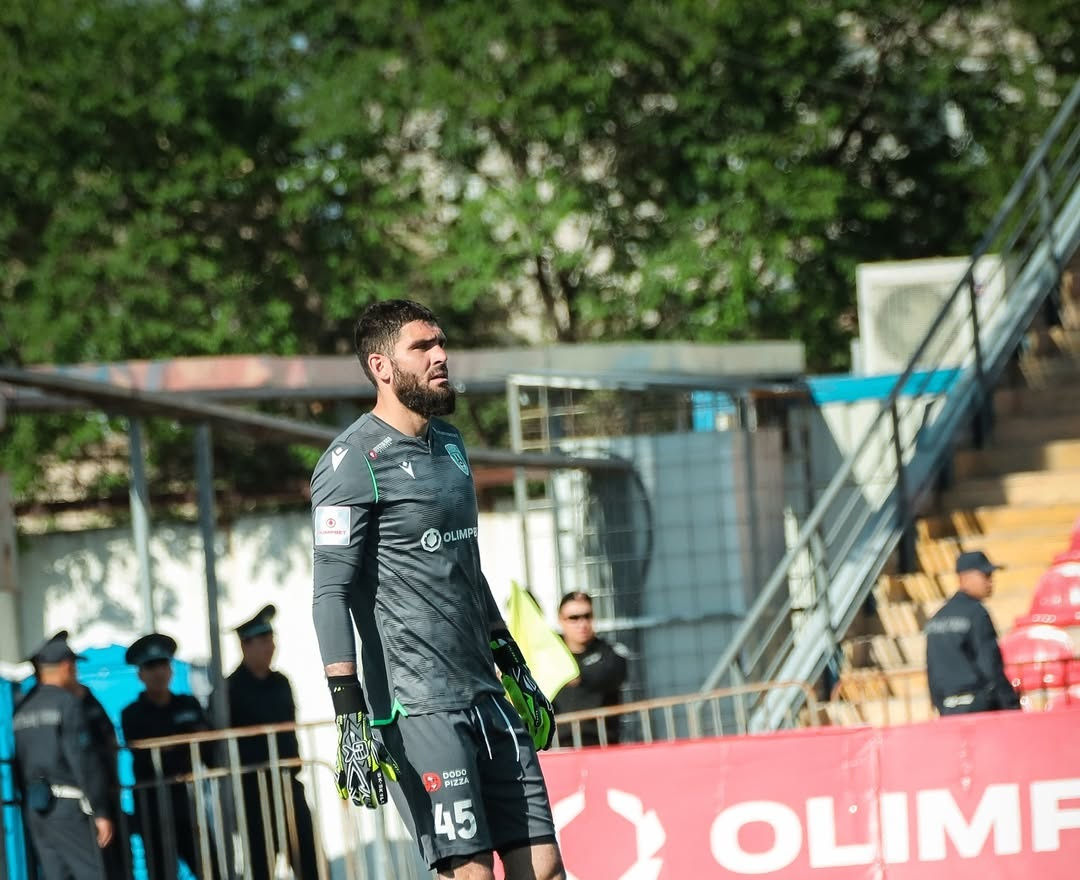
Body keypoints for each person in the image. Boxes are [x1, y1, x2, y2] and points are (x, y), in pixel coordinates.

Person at [310, 299, 566, 880]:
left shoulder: (451, 443)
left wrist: (513, 663)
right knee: (470, 873)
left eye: (441, 343)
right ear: (381, 366)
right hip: (418, 707)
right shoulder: (350, 462)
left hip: (487, 695)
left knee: (545, 866)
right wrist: (349, 712)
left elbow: (466, 566)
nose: (440, 356)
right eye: (422, 347)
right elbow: (329, 595)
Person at [226, 604, 321, 880]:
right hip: (253, 790)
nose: (271, 647)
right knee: (260, 865)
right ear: (245, 645)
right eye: (264, 640)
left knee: (308, 860)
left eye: (271, 639)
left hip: (288, 783)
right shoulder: (230, 689)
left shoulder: (281, 682)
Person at [12, 632, 114, 880]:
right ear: (67, 667)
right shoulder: (67, 703)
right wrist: (101, 810)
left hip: (37, 808)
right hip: (68, 806)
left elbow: (18, 762)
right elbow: (82, 759)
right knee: (91, 873)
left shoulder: (23, 709)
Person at [120, 633, 219, 880]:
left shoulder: (188, 704)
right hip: (153, 807)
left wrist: (176, 744)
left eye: (163, 665)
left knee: (211, 868)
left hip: (188, 802)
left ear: (171, 669)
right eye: (151, 667)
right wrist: (184, 741)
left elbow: (207, 744)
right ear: (140, 674)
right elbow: (147, 752)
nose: (158, 672)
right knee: (162, 872)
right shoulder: (132, 714)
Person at [925, 551, 1022, 716]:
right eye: (986, 575)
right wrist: (1011, 704)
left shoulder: (937, 618)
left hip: (948, 709)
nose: (990, 581)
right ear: (965, 577)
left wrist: (941, 706)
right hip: (978, 706)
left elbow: (932, 669)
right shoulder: (977, 613)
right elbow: (990, 664)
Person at [552, 592, 629, 746]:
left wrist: (578, 676)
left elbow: (613, 674)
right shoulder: (548, 654)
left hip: (601, 744)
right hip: (559, 746)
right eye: (574, 618)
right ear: (561, 620)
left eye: (587, 616)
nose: (582, 624)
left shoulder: (609, 652)